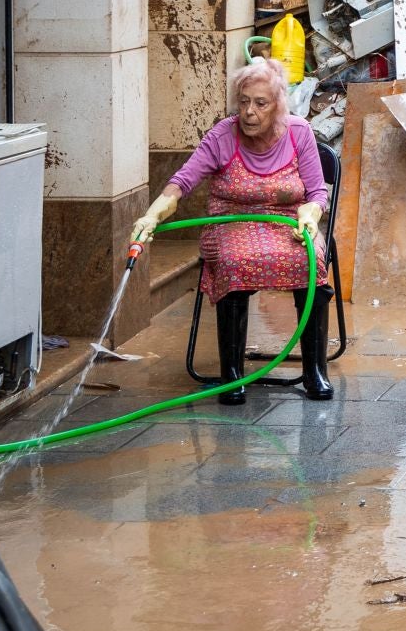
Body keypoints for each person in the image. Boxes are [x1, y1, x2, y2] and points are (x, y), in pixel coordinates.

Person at [132, 57, 334, 403]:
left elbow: (317, 192)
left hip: (288, 220)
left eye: (260, 103)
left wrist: (310, 215)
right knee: (235, 261)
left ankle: (315, 370)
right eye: (243, 102)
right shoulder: (223, 135)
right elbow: (182, 182)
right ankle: (233, 374)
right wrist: (151, 216)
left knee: (310, 260)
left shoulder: (298, 132)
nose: (249, 112)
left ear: (278, 106)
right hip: (230, 221)